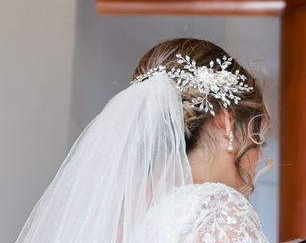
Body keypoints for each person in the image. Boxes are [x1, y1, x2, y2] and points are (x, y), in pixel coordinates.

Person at [16, 38, 271, 243]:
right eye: (258, 136)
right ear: (225, 121)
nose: (260, 156)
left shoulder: (117, 213)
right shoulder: (216, 208)